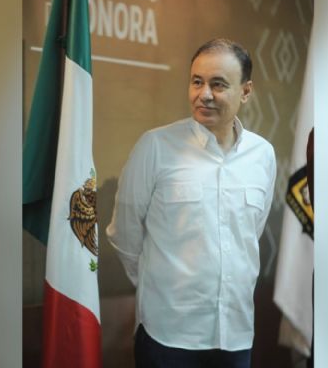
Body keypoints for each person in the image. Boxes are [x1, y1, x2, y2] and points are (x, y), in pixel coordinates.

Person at [106, 38, 277, 368]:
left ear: (246, 91)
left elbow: (248, 235)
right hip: (168, 335)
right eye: (197, 82)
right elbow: (124, 233)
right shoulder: (155, 146)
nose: (204, 94)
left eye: (218, 84)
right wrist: (162, 288)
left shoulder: (263, 155)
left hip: (236, 334)